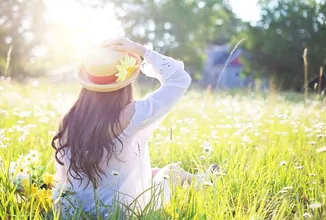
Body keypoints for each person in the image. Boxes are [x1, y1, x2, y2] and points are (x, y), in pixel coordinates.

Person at [51, 37, 218, 218]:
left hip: (74, 209)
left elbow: (64, 176)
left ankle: (203, 179)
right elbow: (179, 79)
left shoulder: (70, 118)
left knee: (152, 172)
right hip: (121, 212)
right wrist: (140, 50)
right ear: (125, 82)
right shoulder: (130, 115)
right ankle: (206, 181)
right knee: (171, 171)